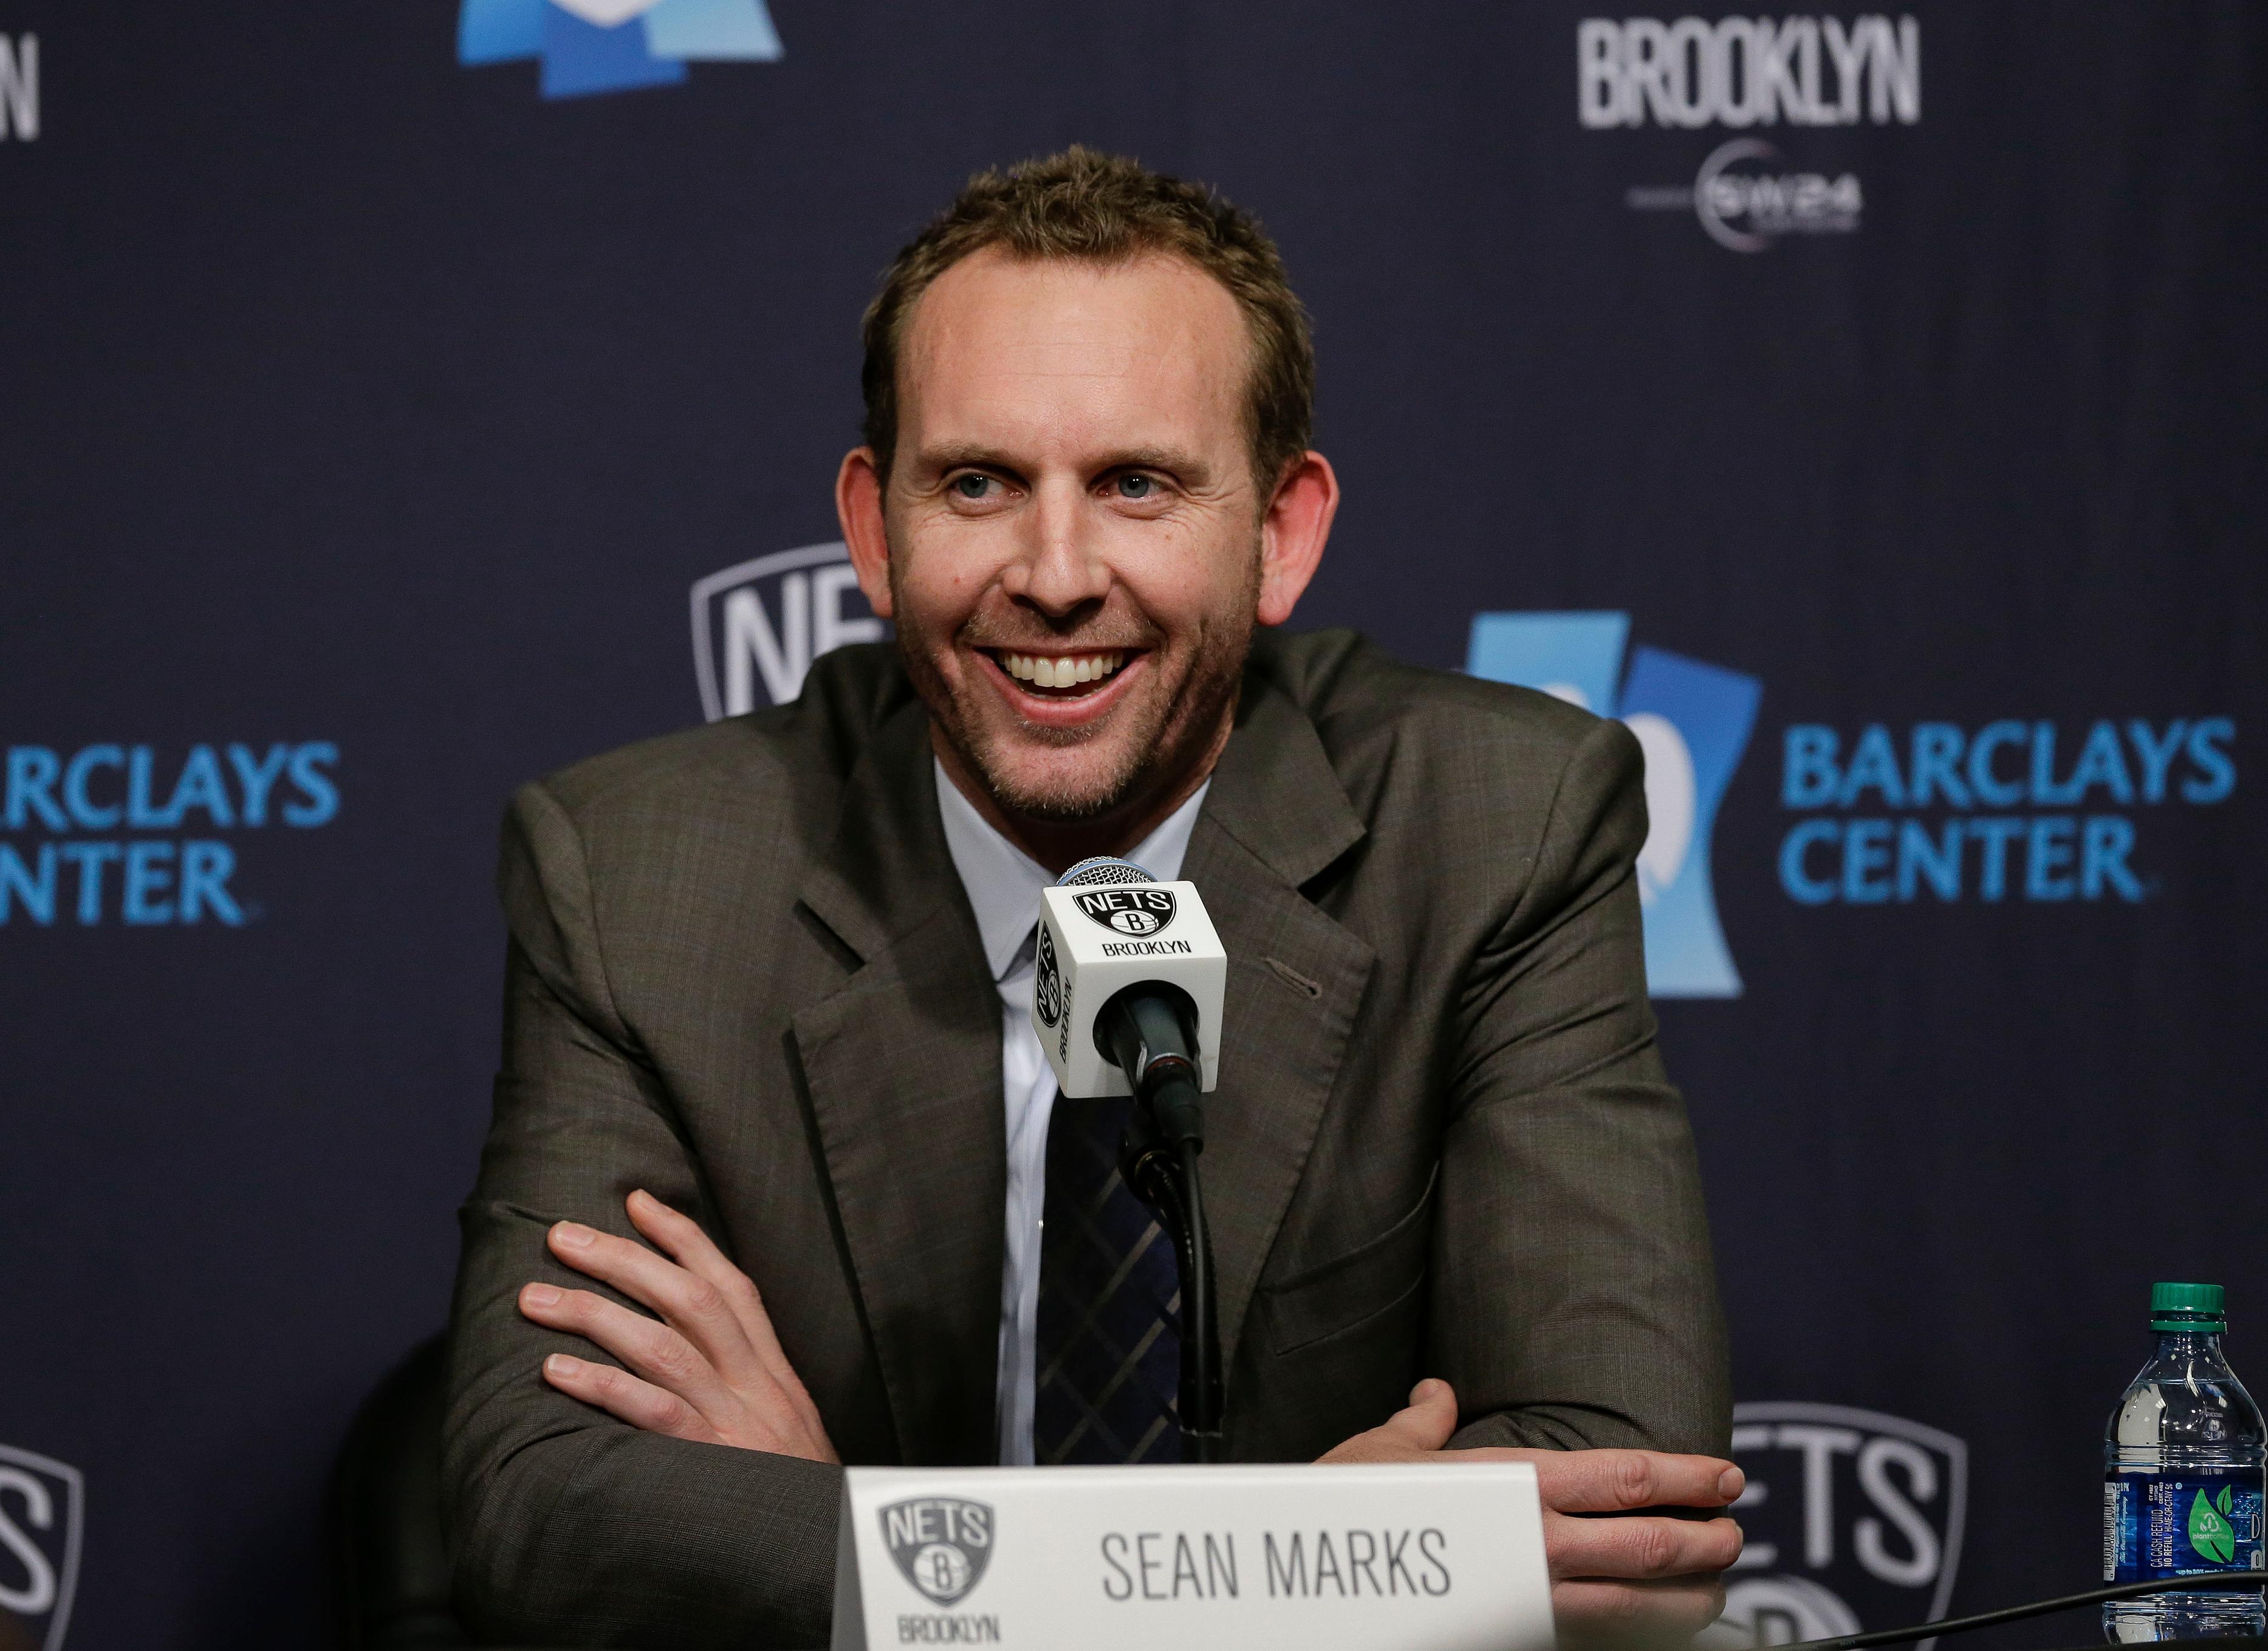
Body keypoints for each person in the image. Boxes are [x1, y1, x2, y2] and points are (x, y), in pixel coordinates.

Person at [444, 146, 1741, 1649]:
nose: (1056, 575)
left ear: (1282, 533)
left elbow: (1636, 1518)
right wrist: (1309, 1573)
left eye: (1137, 484)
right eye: (980, 483)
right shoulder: (640, 873)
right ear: (874, 530)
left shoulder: (1497, 826)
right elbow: (542, 1510)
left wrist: (895, 1556)